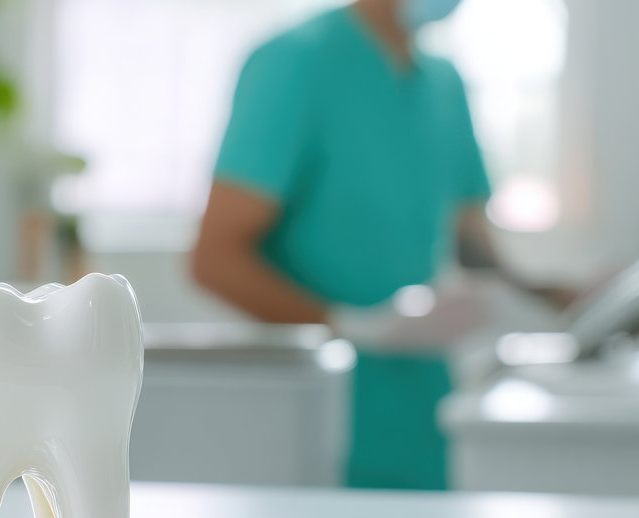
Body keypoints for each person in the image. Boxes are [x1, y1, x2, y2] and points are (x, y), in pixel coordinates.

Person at [192, 0, 562, 490]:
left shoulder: (444, 84)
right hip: (320, 419)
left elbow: (473, 248)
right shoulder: (294, 63)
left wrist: (559, 297)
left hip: (427, 415)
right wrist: (349, 326)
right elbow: (214, 260)